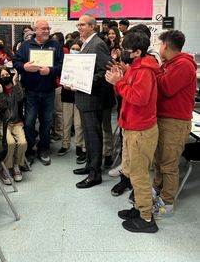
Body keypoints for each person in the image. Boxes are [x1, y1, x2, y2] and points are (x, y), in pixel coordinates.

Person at [105, 31, 159, 233]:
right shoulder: (136, 67)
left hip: (140, 130)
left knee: (139, 176)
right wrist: (122, 76)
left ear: (137, 52)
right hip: (132, 127)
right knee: (133, 171)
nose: (123, 53)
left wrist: (117, 82)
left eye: (127, 51)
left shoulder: (144, 71)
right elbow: (128, 90)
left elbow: (139, 98)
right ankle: (138, 208)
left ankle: (146, 218)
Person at [152, 30, 197, 217]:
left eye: (159, 44)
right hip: (164, 118)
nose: (158, 47)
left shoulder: (183, 65)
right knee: (159, 160)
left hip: (175, 122)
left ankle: (167, 203)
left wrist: (154, 73)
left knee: (169, 164)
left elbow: (167, 88)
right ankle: (157, 190)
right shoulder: (169, 64)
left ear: (166, 46)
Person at [13, 20, 64, 166]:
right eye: (43, 29)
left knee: (47, 122)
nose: (47, 31)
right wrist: (24, 67)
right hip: (31, 91)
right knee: (29, 122)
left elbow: (62, 65)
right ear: (36, 30)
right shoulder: (26, 46)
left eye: (48, 28)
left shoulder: (55, 46)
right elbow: (15, 61)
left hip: (48, 91)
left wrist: (51, 71)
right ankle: (29, 151)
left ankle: (44, 150)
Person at [73, 14, 110, 189]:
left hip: (92, 98)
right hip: (84, 97)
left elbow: (105, 72)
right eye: (78, 25)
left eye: (82, 25)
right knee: (88, 135)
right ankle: (89, 165)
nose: (79, 27)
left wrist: (82, 82)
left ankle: (95, 174)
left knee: (93, 136)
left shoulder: (98, 44)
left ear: (92, 27)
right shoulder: (86, 44)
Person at [0, 67, 27, 185]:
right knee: (10, 143)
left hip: (16, 122)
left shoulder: (16, 86)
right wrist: (1, 89)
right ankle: (5, 168)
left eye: (7, 74)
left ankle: (16, 165)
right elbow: (2, 106)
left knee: (22, 143)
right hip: (3, 123)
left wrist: (16, 82)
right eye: (2, 76)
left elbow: (21, 98)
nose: (5, 77)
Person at [57, 40, 85, 163]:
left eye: (78, 49)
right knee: (66, 122)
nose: (75, 50)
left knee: (79, 124)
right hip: (67, 95)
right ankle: (65, 144)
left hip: (80, 95)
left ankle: (79, 146)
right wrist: (64, 84)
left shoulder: (85, 63)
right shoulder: (65, 62)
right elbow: (61, 77)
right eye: (73, 48)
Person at [51, 32, 69, 142]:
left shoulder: (64, 51)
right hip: (51, 83)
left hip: (59, 83)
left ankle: (59, 132)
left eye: (54, 39)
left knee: (58, 111)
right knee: (53, 111)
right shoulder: (51, 50)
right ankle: (55, 130)